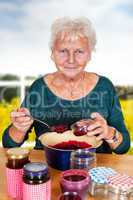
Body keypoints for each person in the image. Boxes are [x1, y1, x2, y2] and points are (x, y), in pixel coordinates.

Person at [2, 17, 130, 153]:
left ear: (89, 54)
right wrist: (19, 128)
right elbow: (8, 144)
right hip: (48, 167)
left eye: (79, 51)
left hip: (96, 169)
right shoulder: (39, 88)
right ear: (52, 53)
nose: (71, 60)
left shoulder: (104, 86)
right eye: (63, 51)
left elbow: (123, 147)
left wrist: (109, 133)